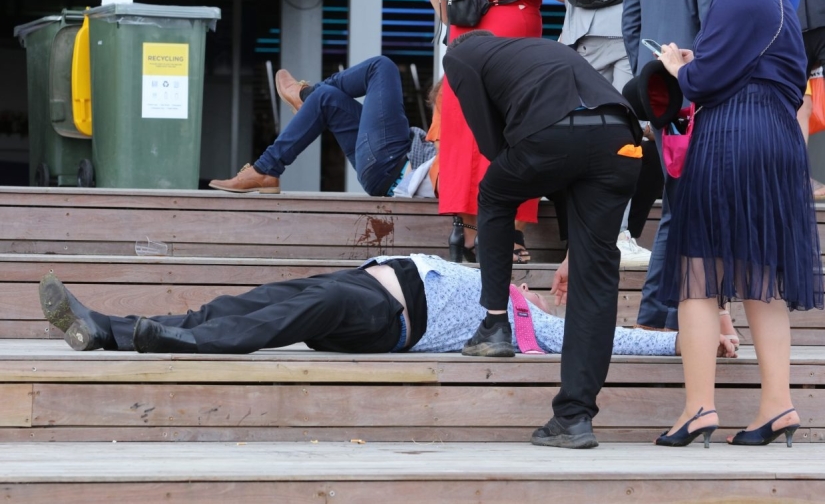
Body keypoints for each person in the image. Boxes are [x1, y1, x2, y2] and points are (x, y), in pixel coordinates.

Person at [654, 0, 822, 449]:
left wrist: (678, 66)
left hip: (733, 133)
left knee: (698, 274)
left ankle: (699, 408)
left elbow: (702, 83)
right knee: (761, 274)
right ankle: (778, 405)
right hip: (775, 136)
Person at [442, 31, 642, 449]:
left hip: (556, 133)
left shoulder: (460, 56)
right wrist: (574, 249)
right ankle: (573, 417)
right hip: (620, 137)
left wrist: (531, 166)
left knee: (495, 193)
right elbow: (577, 151)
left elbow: (493, 143)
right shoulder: (538, 50)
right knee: (596, 278)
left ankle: (496, 324)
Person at [38, 255, 737, 360]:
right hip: (368, 281)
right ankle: (107, 328)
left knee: (295, 311)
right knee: (244, 298)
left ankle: (181, 343)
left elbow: (605, 337)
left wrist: (682, 342)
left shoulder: (530, 325)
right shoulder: (503, 283)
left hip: (389, 316)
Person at [421, 0, 565, 264]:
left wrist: (447, 15)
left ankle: (466, 233)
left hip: (464, 43)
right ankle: (506, 233)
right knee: (512, 137)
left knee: (466, 137)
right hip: (513, 48)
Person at [622, 0, 716, 333]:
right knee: (687, 203)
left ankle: (660, 314)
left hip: (661, 87)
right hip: (696, 84)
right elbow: (713, 18)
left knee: (679, 200)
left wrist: (651, 81)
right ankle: (666, 313)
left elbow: (631, 22)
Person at [208, 56, 435, 198]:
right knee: (327, 98)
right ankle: (265, 170)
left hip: (395, 165)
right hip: (388, 168)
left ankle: (304, 94)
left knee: (381, 67)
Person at [558, 0, 653, 268]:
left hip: (579, 33)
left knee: (584, 134)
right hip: (625, 30)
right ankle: (618, 234)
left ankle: (579, 236)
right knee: (626, 133)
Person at [795, 0, 825, 197]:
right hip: (796, 22)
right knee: (798, 104)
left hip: (799, 20)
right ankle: (801, 178)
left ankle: (801, 179)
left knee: (799, 104)